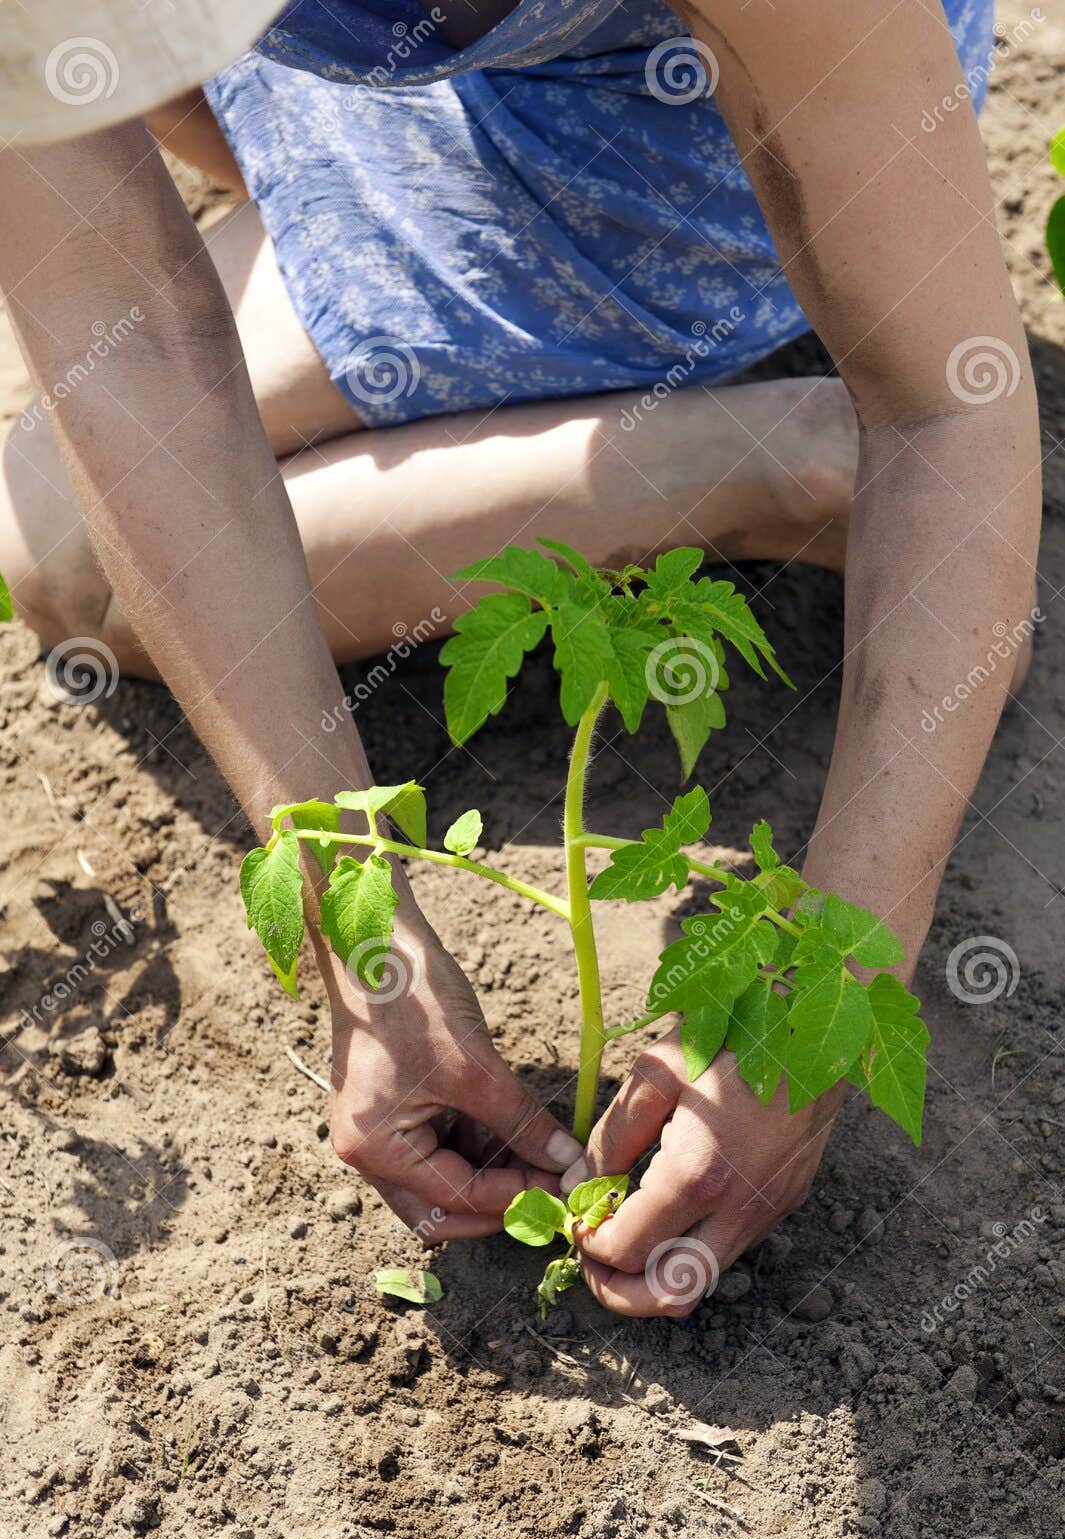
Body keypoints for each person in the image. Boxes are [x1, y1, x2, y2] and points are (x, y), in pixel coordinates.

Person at [0, 0, 1040, 1316]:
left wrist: (818, 990)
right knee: (65, 557)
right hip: (410, 95)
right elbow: (135, 342)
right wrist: (353, 927)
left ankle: (800, 466)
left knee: (84, 574)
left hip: (692, 117)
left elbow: (947, 400)